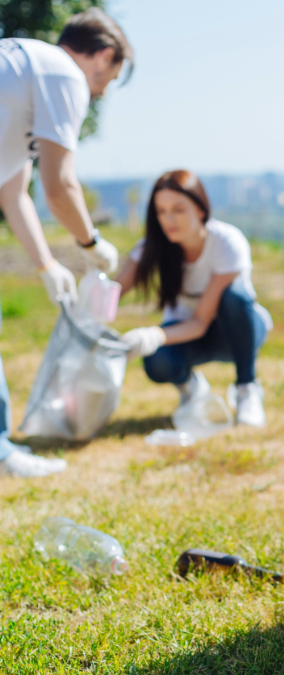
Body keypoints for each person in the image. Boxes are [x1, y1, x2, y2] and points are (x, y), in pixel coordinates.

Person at [0, 9, 133, 477]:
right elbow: (59, 186)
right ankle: (0, 452)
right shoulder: (63, 74)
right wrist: (91, 241)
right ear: (102, 56)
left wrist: (44, 264)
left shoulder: (21, 72)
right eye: (106, 80)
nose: (98, 93)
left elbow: (13, 191)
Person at [116, 170, 271, 427]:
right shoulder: (151, 248)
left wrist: (152, 335)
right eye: (161, 211)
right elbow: (116, 289)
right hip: (188, 336)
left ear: (200, 210)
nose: (168, 220)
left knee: (235, 298)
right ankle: (192, 390)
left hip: (236, 333)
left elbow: (200, 322)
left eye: (178, 209)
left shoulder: (226, 244)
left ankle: (247, 388)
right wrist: (94, 282)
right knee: (157, 361)